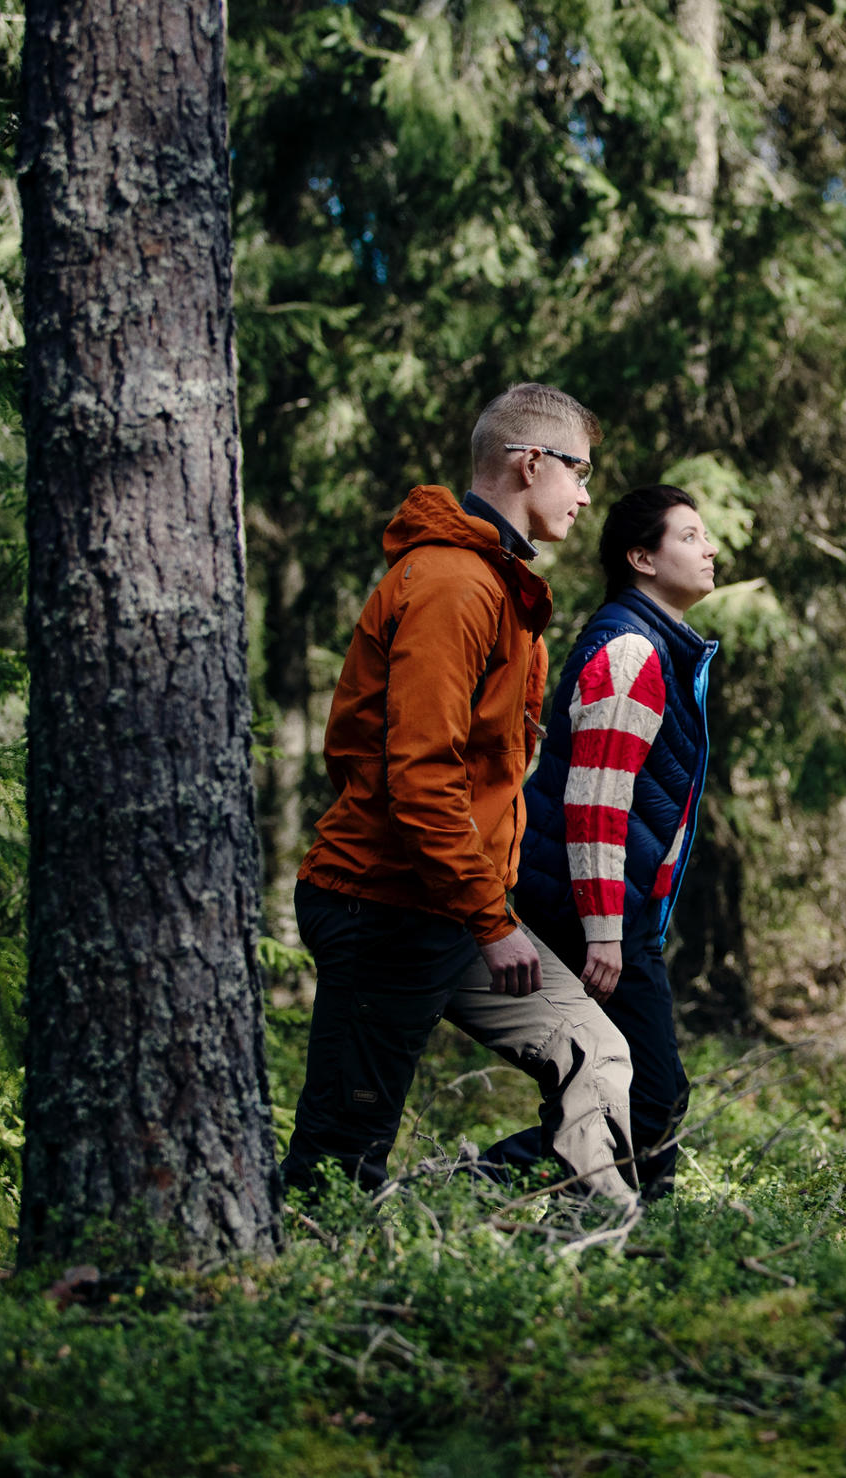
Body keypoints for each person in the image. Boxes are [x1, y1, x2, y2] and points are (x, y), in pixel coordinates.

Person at [282, 383, 637, 1201]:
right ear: (530, 461)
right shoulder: (453, 585)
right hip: (387, 905)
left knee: (594, 1049)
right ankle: (302, 1299)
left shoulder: (499, 585)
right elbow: (422, 770)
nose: (587, 496)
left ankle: (567, 1238)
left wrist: (487, 911)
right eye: (579, 472)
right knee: (341, 1158)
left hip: (454, 907)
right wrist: (487, 917)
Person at [513, 484, 720, 1200]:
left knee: (617, 1096)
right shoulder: (632, 647)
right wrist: (605, 930)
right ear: (642, 557)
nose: (710, 548)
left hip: (607, 911)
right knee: (651, 1097)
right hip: (591, 914)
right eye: (690, 536)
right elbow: (595, 800)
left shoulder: (651, 641)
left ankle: (608, 1245)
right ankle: (474, 1187)